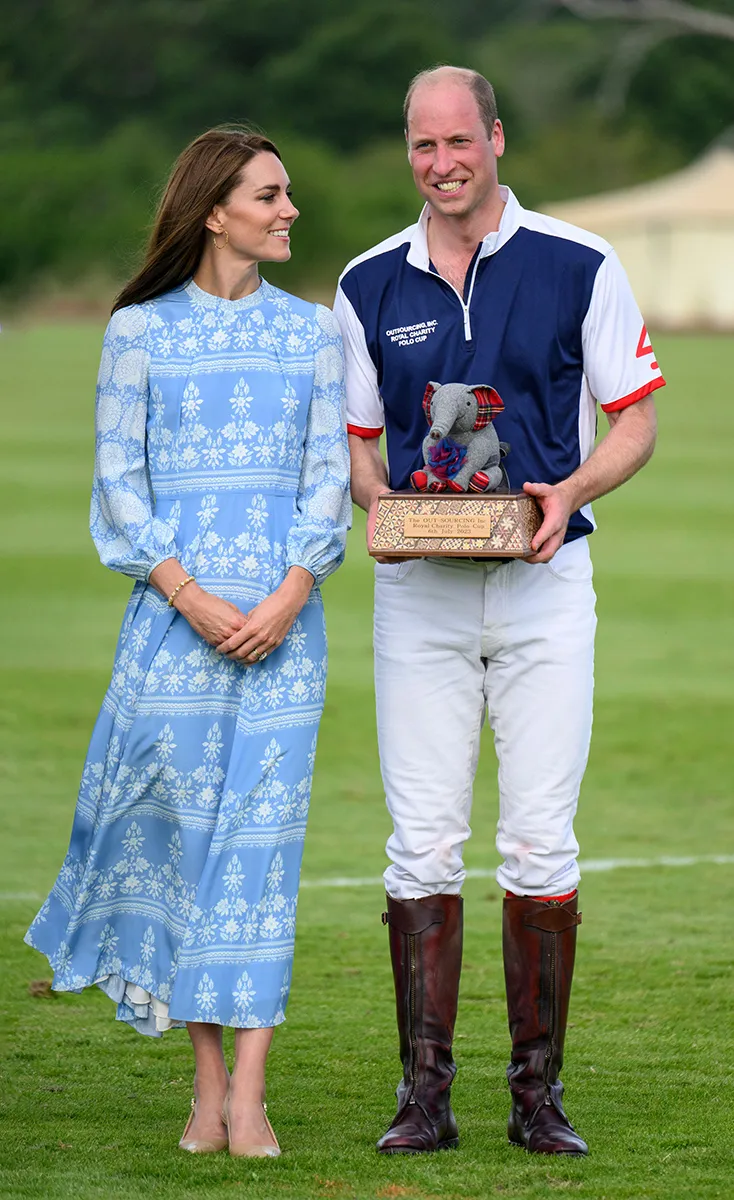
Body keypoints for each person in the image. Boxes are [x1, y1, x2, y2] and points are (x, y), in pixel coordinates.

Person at [334, 66, 662, 1157]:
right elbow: (359, 444)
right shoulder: (365, 281)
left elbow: (632, 421)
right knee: (419, 847)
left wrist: (567, 493)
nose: (441, 164)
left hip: (541, 589)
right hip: (417, 601)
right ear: (409, 150)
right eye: (422, 145)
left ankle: (536, 1100)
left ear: (495, 138)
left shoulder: (580, 260)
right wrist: (383, 508)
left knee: (537, 843)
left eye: (458, 141)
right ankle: (422, 1100)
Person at [25, 126, 350, 1158]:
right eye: (269, 193)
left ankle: (249, 1096)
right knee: (185, 856)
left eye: (287, 193)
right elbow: (118, 486)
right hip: (173, 634)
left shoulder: (313, 333)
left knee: (259, 858)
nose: (288, 208)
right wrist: (190, 595)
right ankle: (205, 1088)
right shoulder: (137, 333)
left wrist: (289, 593)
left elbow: (326, 483)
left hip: (285, 638)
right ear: (216, 210)